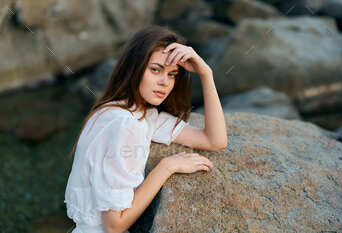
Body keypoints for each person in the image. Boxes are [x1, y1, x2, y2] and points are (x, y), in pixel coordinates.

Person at [64, 24, 227, 233]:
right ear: (135, 68)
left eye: (172, 74)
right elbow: (114, 226)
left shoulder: (135, 113)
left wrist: (206, 73)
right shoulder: (126, 123)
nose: (164, 83)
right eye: (156, 70)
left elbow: (215, 140)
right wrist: (166, 167)